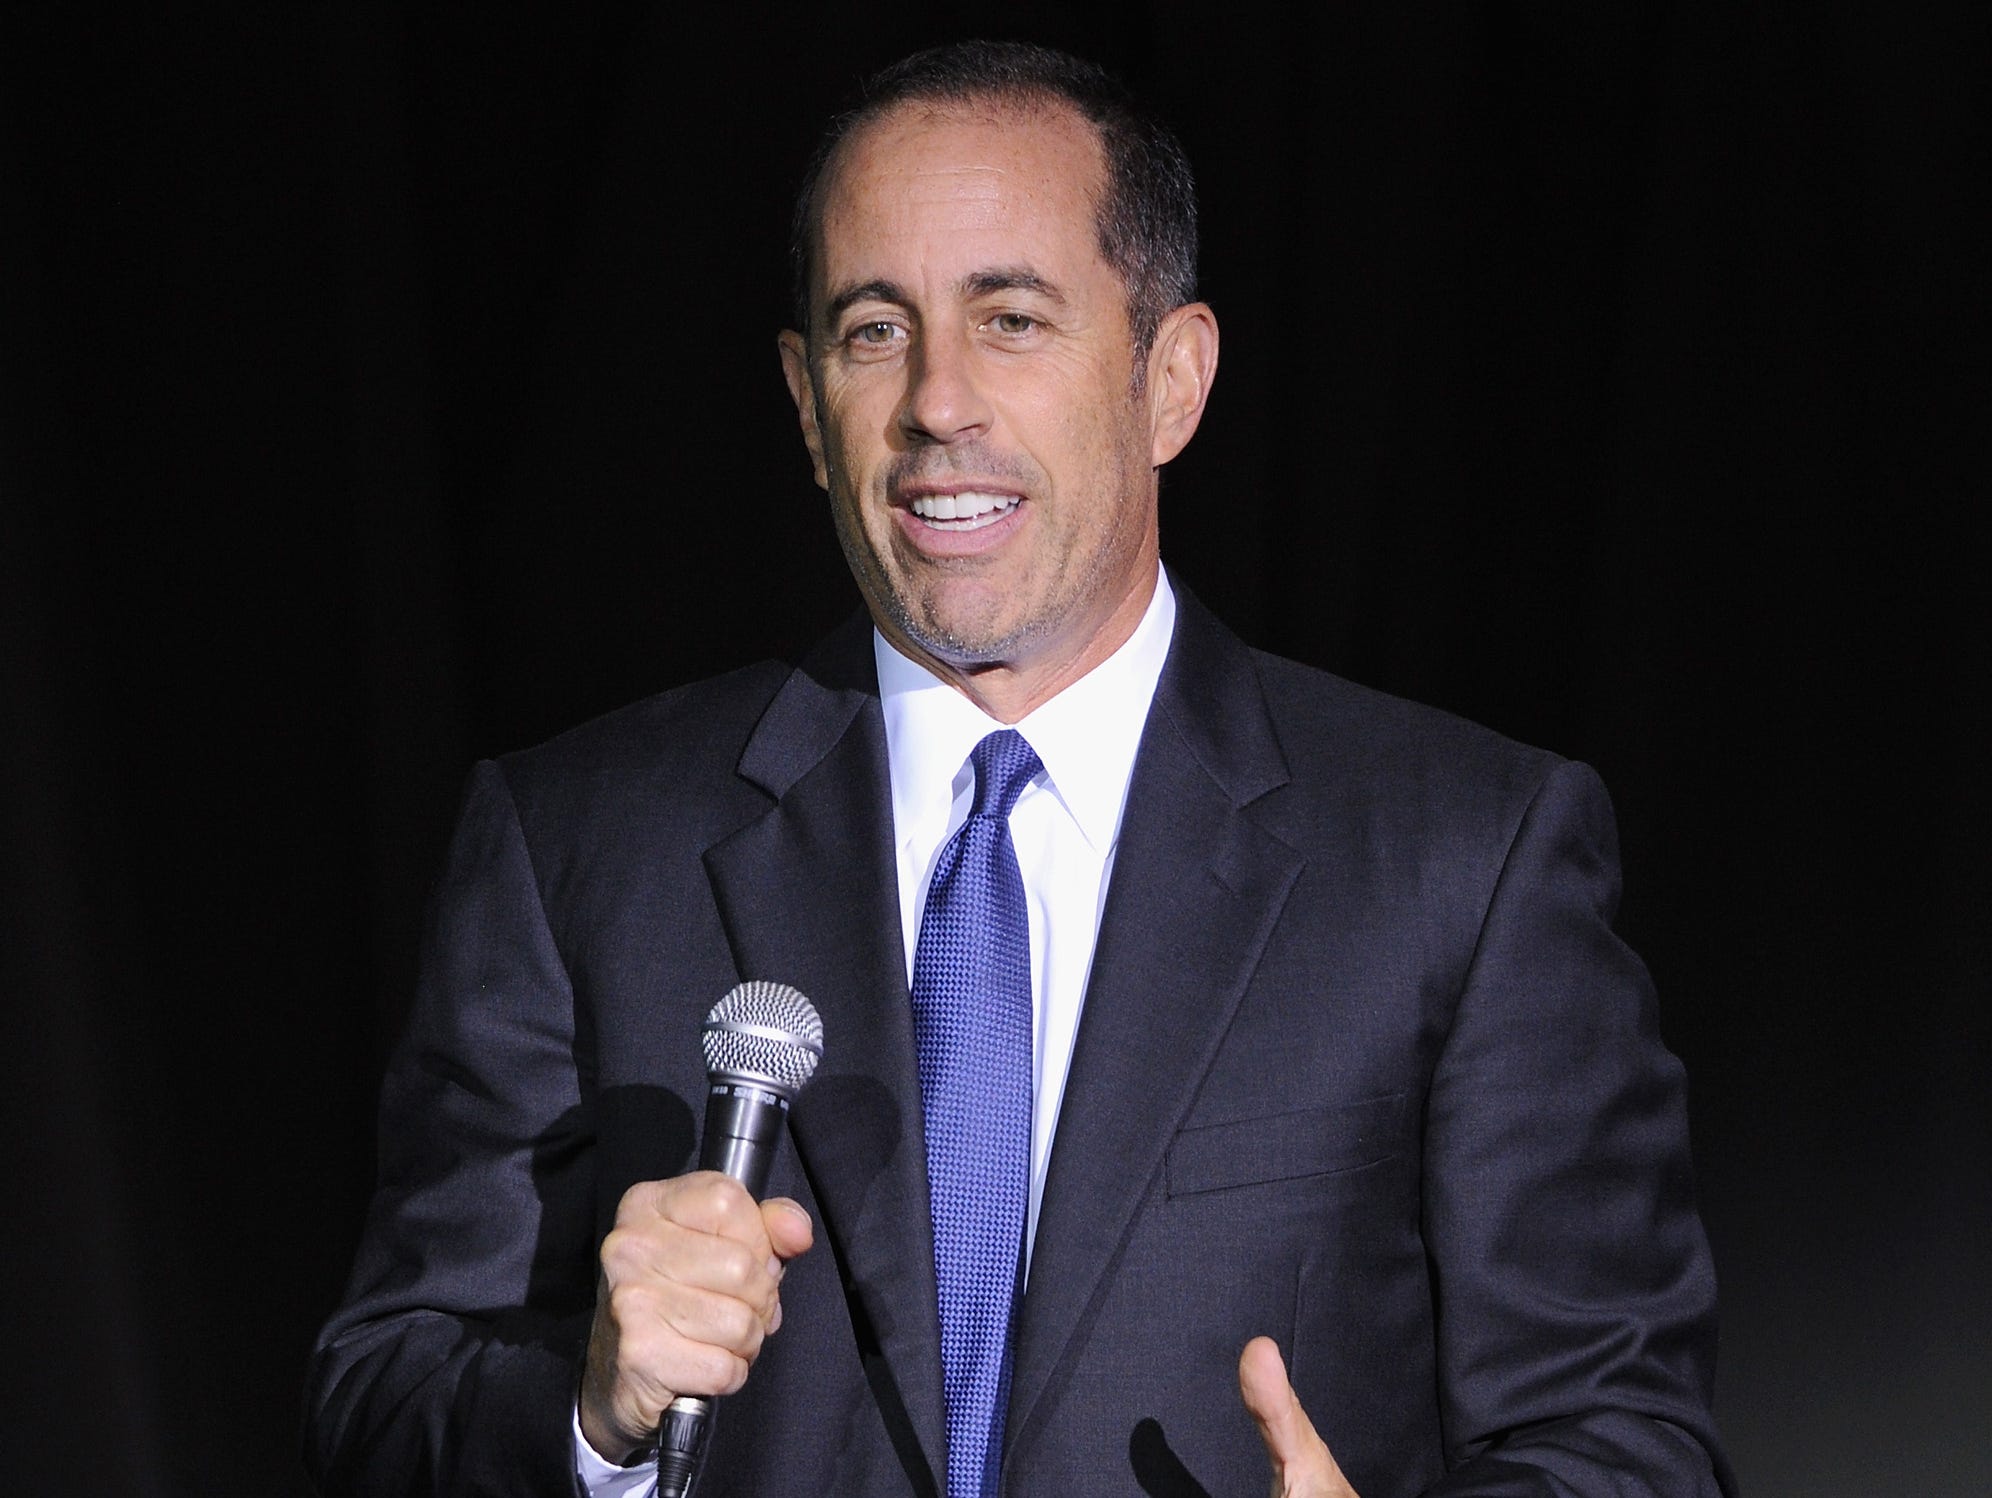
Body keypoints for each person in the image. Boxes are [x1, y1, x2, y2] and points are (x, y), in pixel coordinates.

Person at [306, 40, 1735, 1498]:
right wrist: (593, 1416)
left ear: (1171, 381)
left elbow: (1622, 1442)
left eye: (1012, 320)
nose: (939, 402)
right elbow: (384, 1400)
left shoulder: (1468, 857)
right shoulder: (574, 845)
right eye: (876, 329)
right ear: (805, 403)